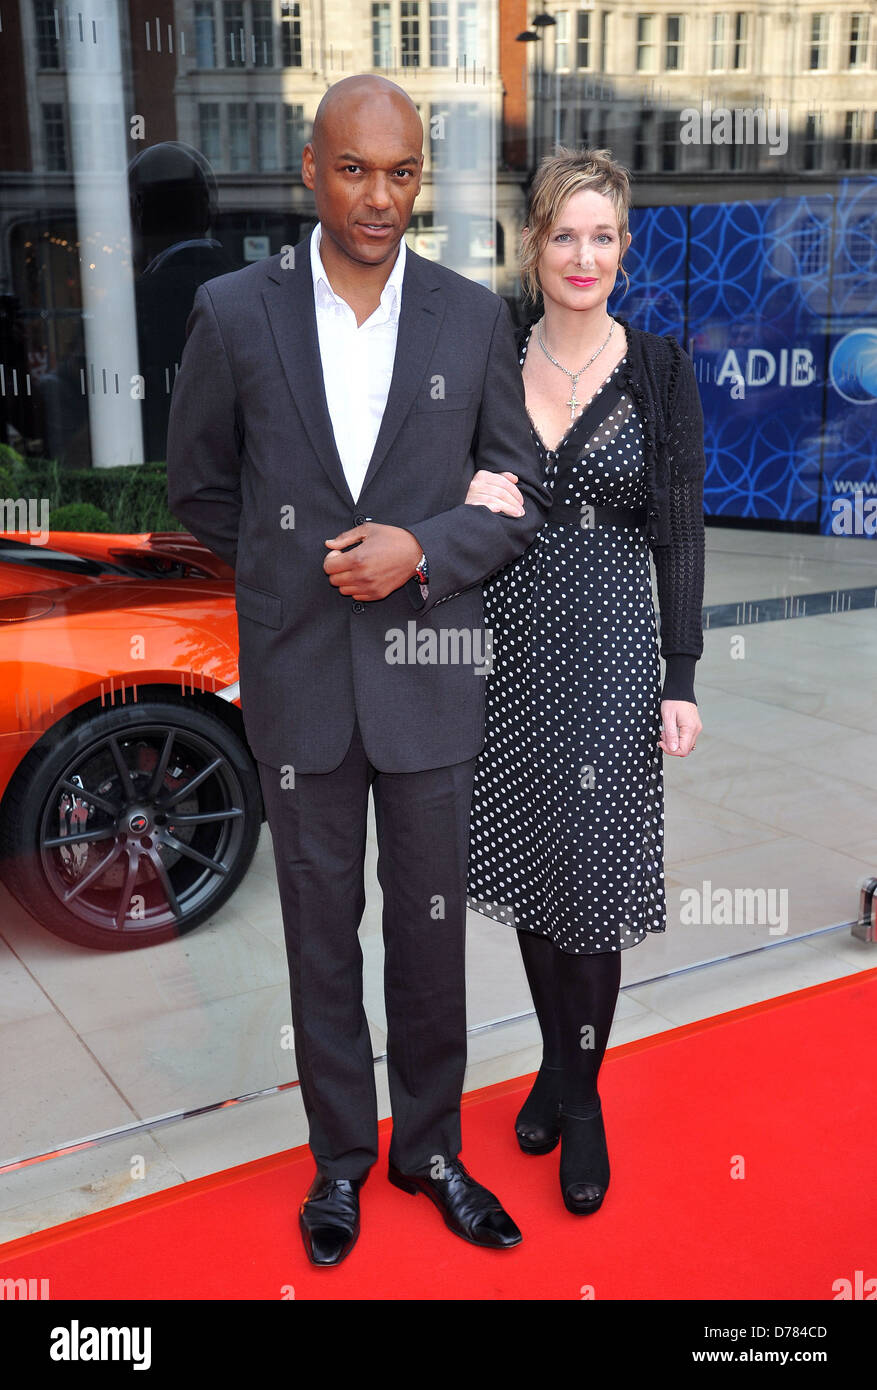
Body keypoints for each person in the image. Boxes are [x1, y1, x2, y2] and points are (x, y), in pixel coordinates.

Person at [165, 74, 552, 1266]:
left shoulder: (471, 317)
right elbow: (201, 484)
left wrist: (419, 554)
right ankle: (338, 1160)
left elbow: (519, 487)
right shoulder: (235, 311)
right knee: (318, 934)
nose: (378, 197)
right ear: (307, 169)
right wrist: (294, 575)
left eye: (399, 173)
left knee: (429, 936)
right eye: (353, 169)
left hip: (432, 674)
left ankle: (428, 1147)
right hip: (301, 684)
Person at [464, 147, 704, 1215]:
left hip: (610, 645)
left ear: (623, 248)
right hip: (511, 647)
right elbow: (450, 493)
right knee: (528, 863)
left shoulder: (658, 367)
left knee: (595, 883)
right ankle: (555, 1072)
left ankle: (583, 1095)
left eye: (603, 235)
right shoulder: (490, 355)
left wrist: (680, 672)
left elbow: (681, 534)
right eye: (565, 233)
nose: (583, 254)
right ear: (533, 246)